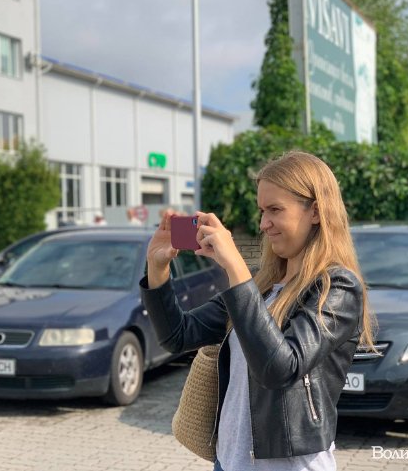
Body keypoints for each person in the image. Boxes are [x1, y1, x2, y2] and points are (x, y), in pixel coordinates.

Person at [141, 151, 376, 471]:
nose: (264, 224)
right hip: (228, 462)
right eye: (262, 211)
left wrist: (234, 267)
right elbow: (178, 335)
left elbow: (279, 369)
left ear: (315, 212)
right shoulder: (260, 287)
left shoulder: (338, 288)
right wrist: (157, 268)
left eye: (275, 210)